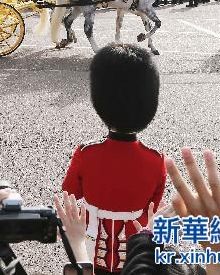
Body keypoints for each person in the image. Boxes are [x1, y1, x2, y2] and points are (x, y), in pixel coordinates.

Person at [62, 43, 166, 275]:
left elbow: (70, 192)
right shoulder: (155, 160)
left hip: (91, 246)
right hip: (134, 253)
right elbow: (152, 208)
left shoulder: (87, 153)